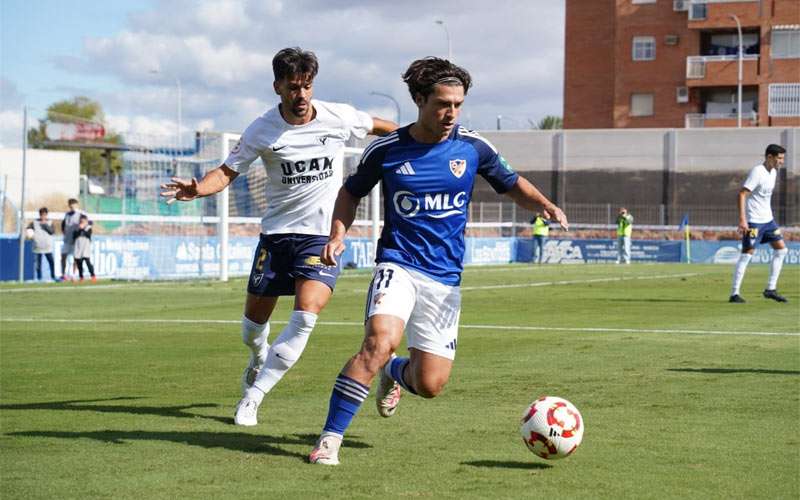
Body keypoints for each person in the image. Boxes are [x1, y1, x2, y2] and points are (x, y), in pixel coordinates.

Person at [308, 57, 568, 465]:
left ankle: (393, 372)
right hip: (398, 263)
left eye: (458, 104)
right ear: (418, 99)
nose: (451, 114)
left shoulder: (473, 147)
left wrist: (545, 206)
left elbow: (512, 184)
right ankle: (329, 440)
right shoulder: (387, 149)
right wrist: (338, 233)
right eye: (443, 104)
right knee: (377, 343)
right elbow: (350, 192)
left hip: (445, 279)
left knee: (429, 384)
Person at [160, 47, 397, 426]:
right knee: (252, 330)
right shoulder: (262, 129)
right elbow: (226, 171)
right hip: (276, 237)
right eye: (292, 87)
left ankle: (253, 399)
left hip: (320, 238)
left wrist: (418, 143)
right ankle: (257, 358)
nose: (300, 95)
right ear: (277, 87)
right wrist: (198, 188)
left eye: (306, 86)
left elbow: (384, 127)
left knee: (306, 316)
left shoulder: (338, 117)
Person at [729, 144, 788, 303]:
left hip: (768, 221)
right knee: (747, 255)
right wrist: (743, 219)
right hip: (754, 222)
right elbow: (742, 194)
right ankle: (734, 294)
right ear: (769, 157)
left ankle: (770, 289)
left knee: (781, 250)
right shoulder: (757, 172)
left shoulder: (774, 172)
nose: (782, 161)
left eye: (783, 158)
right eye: (779, 158)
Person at [60, 198, 87, 281]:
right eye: (71, 206)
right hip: (67, 239)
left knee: (76, 257)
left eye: (74, 205)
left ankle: (73, 275)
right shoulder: (67, 214)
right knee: (63, 256)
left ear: (77, 205)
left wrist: (82, 226)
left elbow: (86, 222)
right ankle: (63, 274)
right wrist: (64, 232)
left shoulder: (81, 214)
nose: (72, 207)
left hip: (76, 239)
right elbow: (63, 224)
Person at [27, 207, 56, 281]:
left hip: (47, 247)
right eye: (41, 214)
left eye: (44, 214)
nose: (43, 216)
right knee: (38, 265)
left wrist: (45, 225)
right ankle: (39, 278)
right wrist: (29, 234)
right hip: (37, 247)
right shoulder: (34, 223)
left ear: (46, 215)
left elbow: (52, 232)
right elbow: (28, 230)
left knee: (51, 262)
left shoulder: (50, 222)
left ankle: (53, 276)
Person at [72, 214, 96, 283]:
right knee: (79, 263)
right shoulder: (76, 228)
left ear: (86, 221)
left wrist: (83, 229)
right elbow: (74, 236)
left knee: (88, 262)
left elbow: (88, 235)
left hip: (85, 248)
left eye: (84, 221)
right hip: (78, 247)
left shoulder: (88, 228)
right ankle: (81, 277)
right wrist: (79, 229)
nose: (82, 222)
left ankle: (93, 276)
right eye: (81, 221)